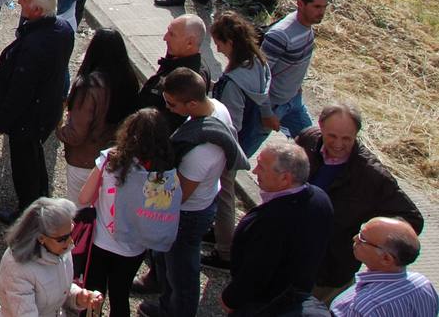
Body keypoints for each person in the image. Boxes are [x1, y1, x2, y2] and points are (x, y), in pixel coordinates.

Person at [142, 68, 248, 317]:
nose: (167, 108)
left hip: (188, 214)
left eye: (171, 103)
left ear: (191, 103)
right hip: (205, 200)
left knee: (181, 272)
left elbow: (178, 196)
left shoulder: (201, 153)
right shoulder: (216, 107)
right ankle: (167, 303)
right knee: (173, 265)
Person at [296, 104, 424, 302]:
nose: (338, 144)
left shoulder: (371, 175)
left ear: (356, 134)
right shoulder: (308, 141)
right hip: (291, 252)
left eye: (347, 138)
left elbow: (412, 219)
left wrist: (372, 234)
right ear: (320, 126)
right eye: (332, 136)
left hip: (327, 271)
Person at [77, 110, 177, 317]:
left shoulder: (110, 160)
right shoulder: (164, 170)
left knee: (93, 294)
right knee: (120, 295)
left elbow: (84, 198)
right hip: (134, 247)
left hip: (101, 242)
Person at [0, 0, 75, 224]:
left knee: (24, 165)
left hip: (27, 118)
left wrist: (2, 121)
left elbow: (20, 90)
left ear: (37, 11)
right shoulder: (64, 29)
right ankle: (42, 196)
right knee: (35, 156)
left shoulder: (34, 46)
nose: (19, 1)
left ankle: (28, 211)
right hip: (47, 111)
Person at [220, 142, 333, 315]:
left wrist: (231, 298)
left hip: (263, 304)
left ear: (285, 179)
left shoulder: (274, 220)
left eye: (261, 167)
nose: (255, 171)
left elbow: (256, 271)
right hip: (291, 297)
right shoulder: (319, 197)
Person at [207, 11, 271, 271]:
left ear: (230, 42)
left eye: (220, 44)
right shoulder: (258, 63)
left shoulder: (234, 82)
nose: (218, 50)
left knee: (224, 195)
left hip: (229, 144)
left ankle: (224, 251)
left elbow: (231, 121)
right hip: (247, 139)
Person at [57, 28, 142, 203]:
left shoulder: (89, 86)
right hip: (114, 160)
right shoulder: (130, 79)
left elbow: (76, 135)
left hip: (85, 161)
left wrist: (58, 127)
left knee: (78, 210)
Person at [253, 0, 332, 152]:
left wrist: (297, 87)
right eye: (317, 7)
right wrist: (267, 113)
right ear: (301, 4)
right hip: (272, 106)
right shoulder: (281, 35)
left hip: (293, 101)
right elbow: (259, 76)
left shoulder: (307, 27)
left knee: (312, 145)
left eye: (324, 7)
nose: (322, 12)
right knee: (240, 153)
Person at [0, 198, 104, 317]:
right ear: (41, 238)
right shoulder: (17, 270)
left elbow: (56, 287)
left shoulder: (60, 248)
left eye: (71, 233)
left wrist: (79, 297)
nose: (70, 241)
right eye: (62, 239)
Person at [329, 218, 436, 317]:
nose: (355, 238)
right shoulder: (423, 283)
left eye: (363, 239)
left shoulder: (364, 307)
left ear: (386, 258)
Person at [134, 14, 210, 133]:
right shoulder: (174, 58)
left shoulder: (190, 80)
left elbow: (170, 124)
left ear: (190, 43)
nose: (165, 38)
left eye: (172, 34)